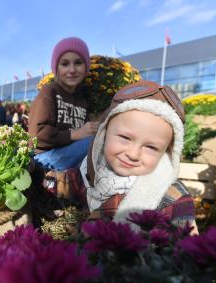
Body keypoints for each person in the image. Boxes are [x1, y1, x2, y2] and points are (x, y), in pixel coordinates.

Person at [80, 80, 198, 232]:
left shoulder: (172, 198)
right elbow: (62, 184)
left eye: (151, 147)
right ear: (104, 134)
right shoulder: (89, 171)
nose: (133, 154)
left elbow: (189, 246)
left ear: (167, 151)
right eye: (125, 138)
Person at [28, 37, 98, 171]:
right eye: (65, 64)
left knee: (103, 139)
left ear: (86, 67)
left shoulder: (82, 98)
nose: (72, 70)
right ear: (56, 68)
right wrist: (74, 134)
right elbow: (35, 136)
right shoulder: (49, 92)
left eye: (78, 63)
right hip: (43, 158)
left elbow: (83, 134)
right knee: (94, 142)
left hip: (70, 154)